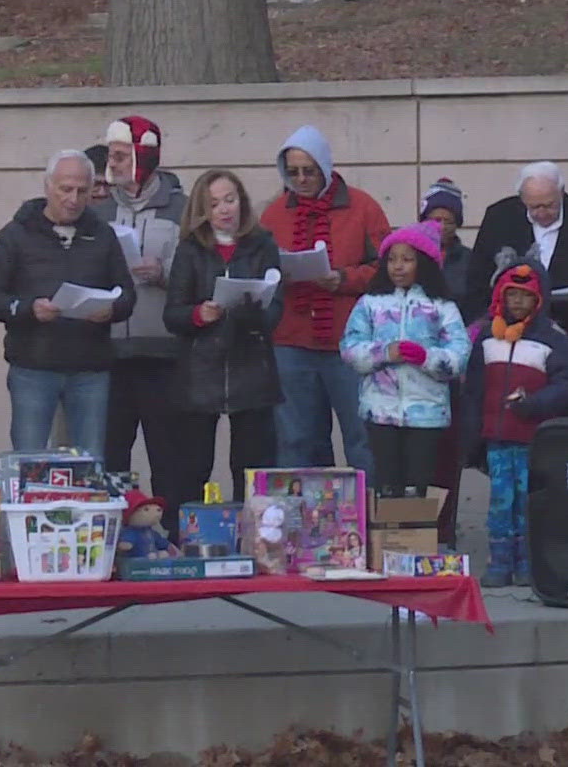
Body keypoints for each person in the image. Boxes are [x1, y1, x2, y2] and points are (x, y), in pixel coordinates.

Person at [0, 150, 137, 460]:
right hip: (33, 366)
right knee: (29, 460)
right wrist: (28, 309)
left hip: (90, 366)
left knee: (90, 462)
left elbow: (127, 294)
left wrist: (112, 310)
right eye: (66, 189)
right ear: (48, 186)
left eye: (82, 191)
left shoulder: (103, 235)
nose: (73, 199)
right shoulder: (15, 235)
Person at [260, 125, 390, 473]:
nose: (301, 179)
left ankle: (368, 519)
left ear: (325, 167)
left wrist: (343, 279)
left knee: (361, 438)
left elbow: (387, 266)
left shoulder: (363, 207)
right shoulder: (273, 213)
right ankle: (302, 523)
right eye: (293, 172)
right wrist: (277, 274)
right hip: (291, 340)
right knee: (296, 440)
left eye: (309, 171)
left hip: (349, 341)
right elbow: (257, 267)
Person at [159, 169, 282, 518]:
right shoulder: (191, 250)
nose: (225, 209)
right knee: (192, 466)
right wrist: (200, 314)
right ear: (203, 210)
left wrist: (251, 309)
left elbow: (276, 311)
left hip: (251, 368)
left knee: (252, 466)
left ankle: (257, 538)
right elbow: (173, 314)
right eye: (215, 204)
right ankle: (187, 538)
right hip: (201, 371)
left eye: (230, 200)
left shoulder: (263, 245)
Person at [457, 250, 568, 587]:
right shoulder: (487, 337)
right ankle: (500, 561)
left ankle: (528, 561)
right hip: (496, 438)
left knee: (529, 501)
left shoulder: (553, 339)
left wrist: (536, 403)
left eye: (526, 296)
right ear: (500, 295)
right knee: (500, 502)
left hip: (534, 439)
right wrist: (472, 437)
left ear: (539, 299)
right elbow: (473, 391)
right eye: (512, 294)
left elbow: (566, 384)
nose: (518, 302)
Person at [341, 223, 470, 494]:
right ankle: (389, 535)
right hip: (380, 411)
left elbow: (460, 353)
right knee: (387, 484)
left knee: (418, 485)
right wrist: (384, 353)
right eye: (392, 259)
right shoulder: (370, 303)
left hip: (427, 413)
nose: (398, 267)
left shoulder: (442, 306)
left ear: (423, 263)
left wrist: (426, 357)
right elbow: (350, 347)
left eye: (407, 259)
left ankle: (418, 535)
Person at [92, 116, 187, 478]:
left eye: (119, 155)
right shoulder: (98, 213)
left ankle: (172, 526)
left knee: (168, 455)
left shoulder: (182, 209)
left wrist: (163, 275)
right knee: (110, 456)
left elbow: (198, 276)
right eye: (110, 155)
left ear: (142, 157)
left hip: (162, 352)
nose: (111, 164)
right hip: (110, 352)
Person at [464, 161, 568, 360]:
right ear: (522, 199)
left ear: (561, 192)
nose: (542, 213)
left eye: (550, 205)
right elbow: (478, 276)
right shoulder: (499, 217)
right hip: (511, 334)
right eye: (534, 207)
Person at [419, 178, 472, 546]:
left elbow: (480, 306)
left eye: (448, 219)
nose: (440, 227)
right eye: (433, 219)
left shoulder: (470, 262)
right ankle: (412, 529)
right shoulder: (411, 258)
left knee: (447, 452)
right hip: (413, 368)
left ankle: (444, 529)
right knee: (415, 453)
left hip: (453, 367)